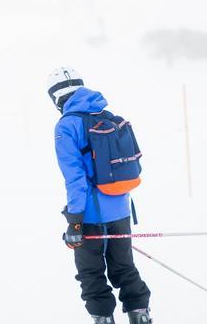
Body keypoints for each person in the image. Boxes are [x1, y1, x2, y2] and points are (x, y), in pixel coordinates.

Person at [48, 67, 151, 324]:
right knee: (125, 268)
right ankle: (141, 317)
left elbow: (75, 179)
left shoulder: (66, 126)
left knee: (91, 274)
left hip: (91, 216)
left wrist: (74, 221)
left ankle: (103, 320)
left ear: (56, 97)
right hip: (121, 209)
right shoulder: (107, 116)